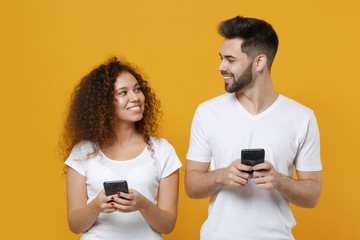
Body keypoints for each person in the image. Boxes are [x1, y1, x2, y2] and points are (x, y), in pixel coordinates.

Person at [185, 16, 322, 239]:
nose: (221, 66)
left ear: (259, 62)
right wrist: (221, 176)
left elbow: (313, 196)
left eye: (230, 59)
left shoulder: (302, 117)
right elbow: (191, 186)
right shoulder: (207, 112)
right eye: (221, 58)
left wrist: (279, 181)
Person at [61, 57, 182, 240]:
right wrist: (96, 206)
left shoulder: (163, 151)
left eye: (137, 89)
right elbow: (75, 225)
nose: (135, 97)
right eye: (123, 93)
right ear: (103, 103)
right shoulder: (82, 153)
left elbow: (168, 225)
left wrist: (143, 205)